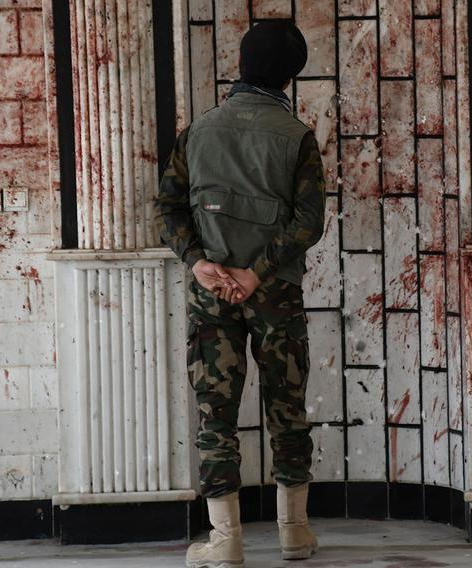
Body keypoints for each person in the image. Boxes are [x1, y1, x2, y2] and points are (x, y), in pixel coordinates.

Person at [154, 19, 326, 568]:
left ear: (243, 64)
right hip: (275, 293)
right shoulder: (296, 135)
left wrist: (198, 261)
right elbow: (309, 220)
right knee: (287, 406)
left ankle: (225, 543)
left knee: (215, 412)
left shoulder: (199, 132)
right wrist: (258, 273)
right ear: (290, 75)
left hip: (211, 295)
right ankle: (294, 534)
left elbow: (168, 207)